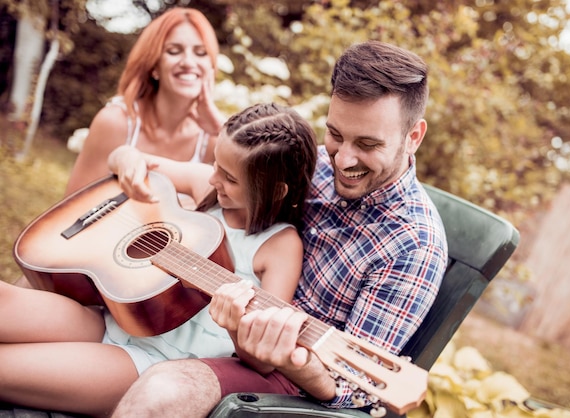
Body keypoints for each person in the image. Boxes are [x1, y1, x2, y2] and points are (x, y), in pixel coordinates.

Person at [111, 40, 449, 418]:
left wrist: (291, 358)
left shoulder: (414, 245)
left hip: (292, 382)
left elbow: (350, 390)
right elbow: (225, 182)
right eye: (336, 134)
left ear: (413, 136)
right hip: (217, 318)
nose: (344, 159)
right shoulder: (315, 164)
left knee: (163, 391)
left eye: (368, 144)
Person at [0, 102, 318, 417]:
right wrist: (129, 165)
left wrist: (235, 325)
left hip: (151, 359)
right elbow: (124, 156)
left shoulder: (280, 246)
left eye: (229, 178)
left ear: (276, 191)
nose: (212, 179)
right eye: (215, 165)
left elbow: (262, 357)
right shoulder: (206, 184)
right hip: (114, 319)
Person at [64, 7, 226, 204]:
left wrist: (220, 127)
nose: (188, 62)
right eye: (174, 51)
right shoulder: (115, 122)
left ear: (211, 67)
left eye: (201, 53)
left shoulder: (214, 140)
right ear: (155, 66)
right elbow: (71, 210)